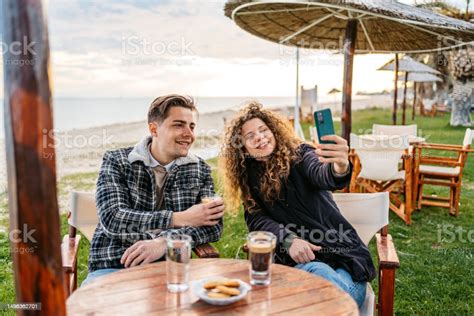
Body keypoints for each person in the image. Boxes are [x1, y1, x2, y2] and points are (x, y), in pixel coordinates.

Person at [219, 102, 375, 307]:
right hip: (298, 266)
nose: (259, 137)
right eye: (249, 136)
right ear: (242, 147)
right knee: (318, 275)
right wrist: (288, 240)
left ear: (274, 131)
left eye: (263, 129)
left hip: (345, 262)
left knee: (319, 287)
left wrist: (339, 166)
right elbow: (257, 219)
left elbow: (321, 173)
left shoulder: (301, 154)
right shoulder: (249, 180)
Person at [83, 94, 224, 285]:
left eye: (192, 126)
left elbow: (213, 226)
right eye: (178, 125)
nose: (189, 134)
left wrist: (165, 242)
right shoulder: (117, 161)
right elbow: (113, 218)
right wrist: (180, 218)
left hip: (170, 267)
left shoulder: (200, 168)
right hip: (114, 265)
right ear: (154, 129)